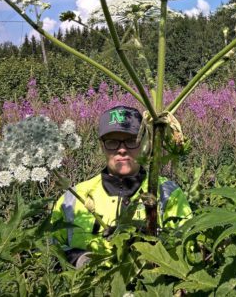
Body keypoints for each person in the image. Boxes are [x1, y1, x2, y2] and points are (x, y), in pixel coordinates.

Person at [51, 105, 192, 268]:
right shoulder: (73, 197)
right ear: (101, 146)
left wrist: (148, 243)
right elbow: (47, 250)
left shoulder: (168, 193)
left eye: (132, 141)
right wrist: (77, 259)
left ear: (145, 143)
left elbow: (188, 248)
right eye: (112, 142)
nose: (122, 150)